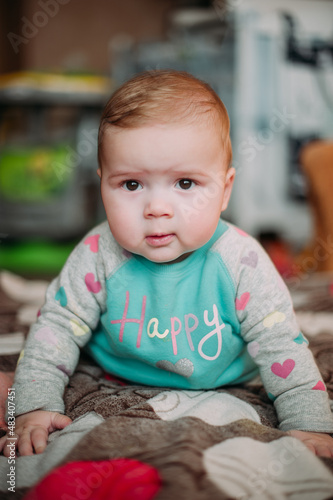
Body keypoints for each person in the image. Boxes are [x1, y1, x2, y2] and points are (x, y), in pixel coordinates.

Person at [1, 70, 333, 458]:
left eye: (186, 184)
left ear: (225, 191)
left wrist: (309, 425)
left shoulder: (241, 262)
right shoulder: (97, 254)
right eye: (131, 185)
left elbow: (283, 348)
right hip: (116, 371)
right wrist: (34, 406)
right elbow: (54, 329)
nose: (157, 209)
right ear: (102, 183)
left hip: (227, 376)